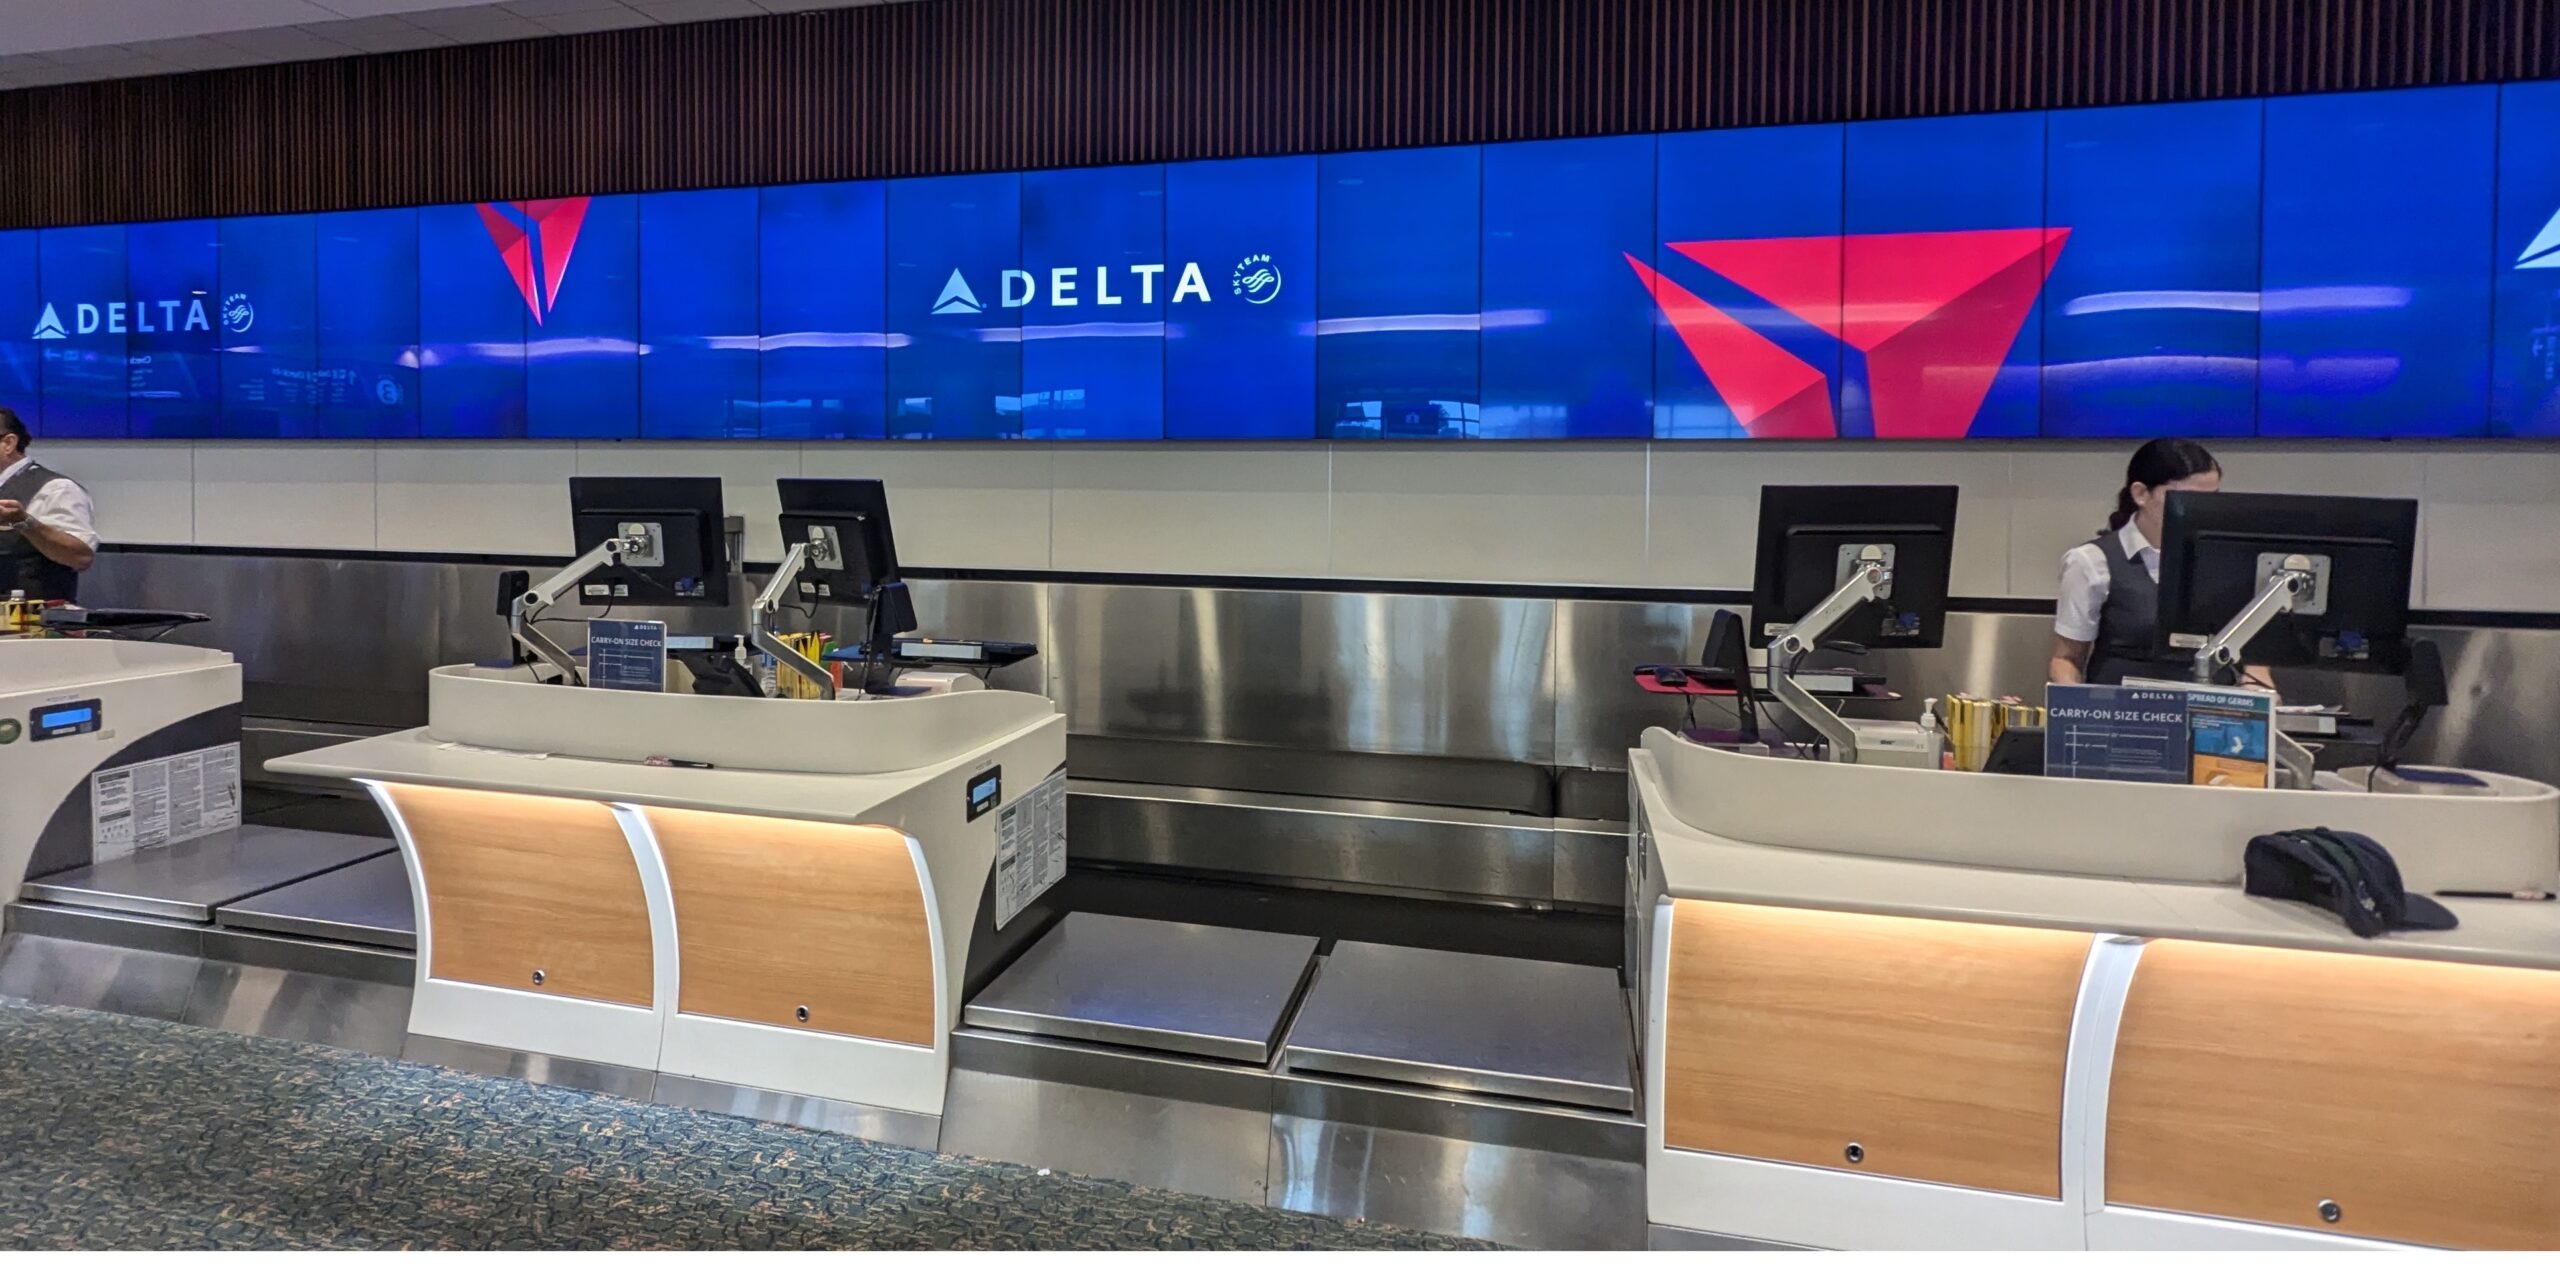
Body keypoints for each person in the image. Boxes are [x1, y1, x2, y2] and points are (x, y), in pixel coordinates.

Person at [2049, 437, 2270, 688]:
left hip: (2214, 716)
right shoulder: (2091, 562)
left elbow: (2256, 659)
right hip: (2125, 715)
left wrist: (2257, 690)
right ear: (2141, 494)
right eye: (2186, 499)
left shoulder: (2229, 561)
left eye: (2212, 500)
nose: (2202, 512)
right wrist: (2078, 712)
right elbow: (2066, 659)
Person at [0, 408, 98, 602]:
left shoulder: (56, 489)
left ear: (8, 443)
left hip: (33, 625)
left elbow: (80, 557)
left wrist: (23, 522)